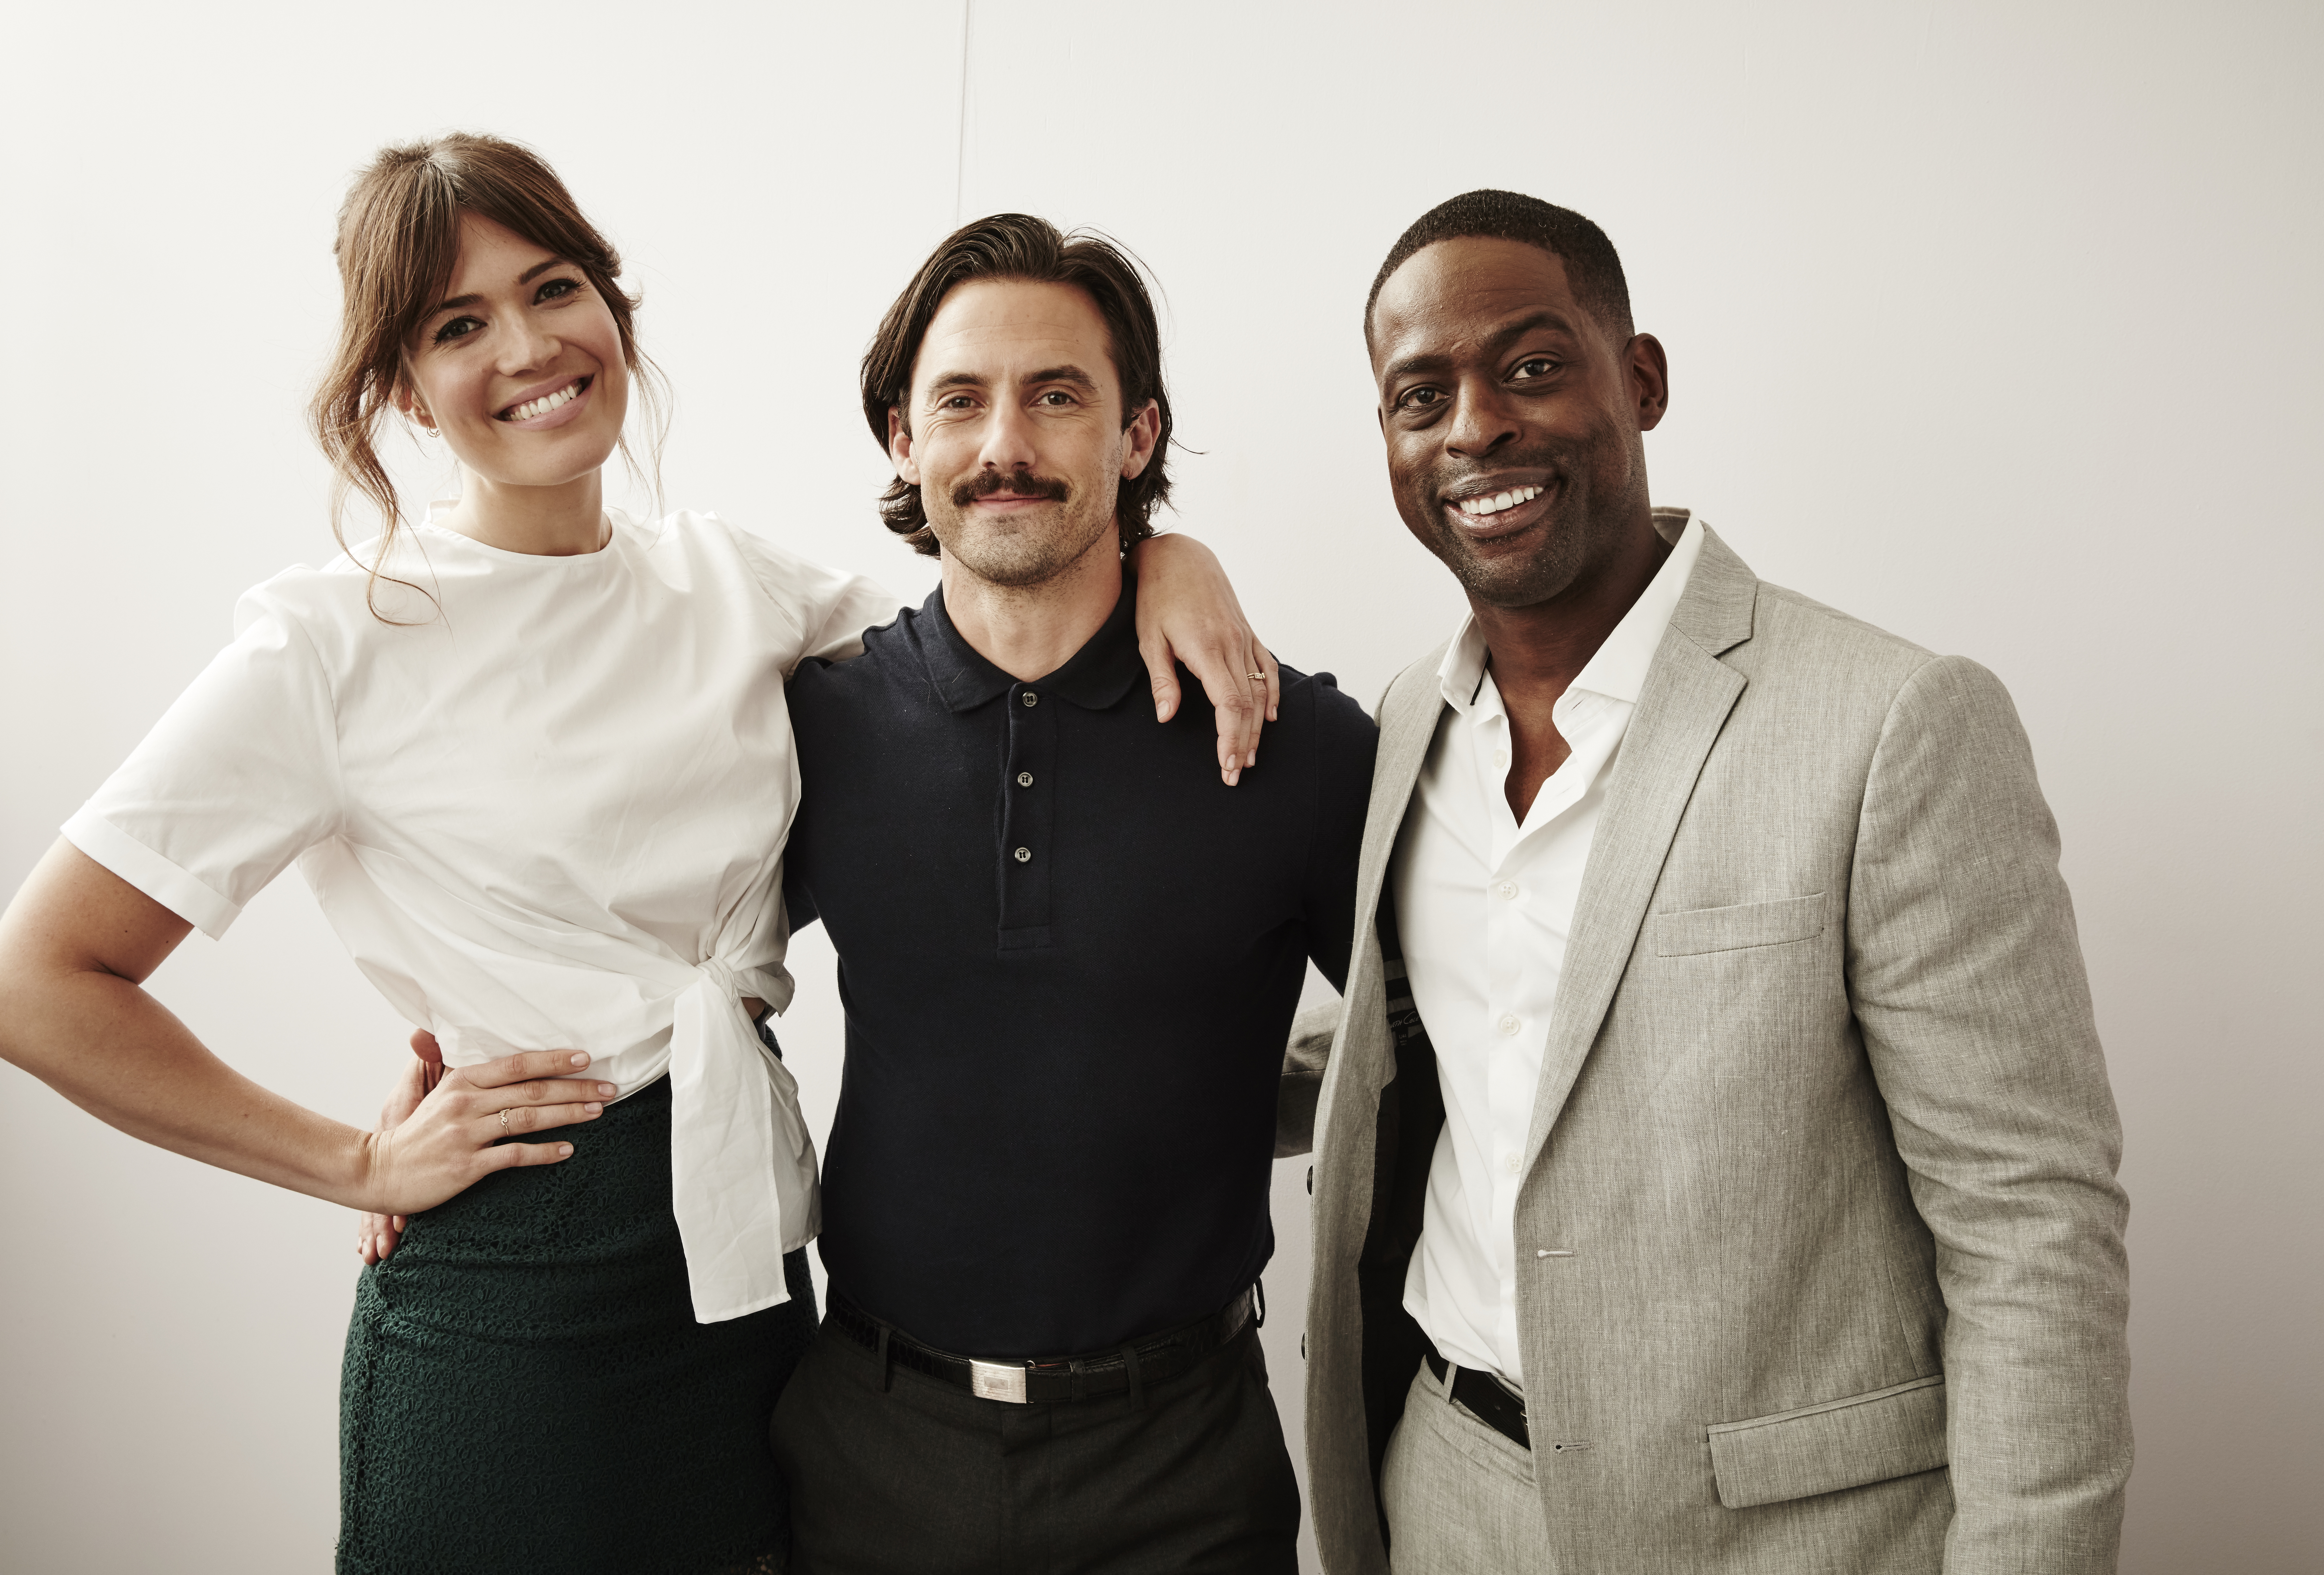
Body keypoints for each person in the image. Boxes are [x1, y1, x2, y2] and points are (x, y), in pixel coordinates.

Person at [0, 135, 1274, 1575]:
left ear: (614, 307)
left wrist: (1172, 557)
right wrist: (355, 1160)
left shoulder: (734, 584)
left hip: (750, 1302)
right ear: (401, 389)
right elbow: (39, 979)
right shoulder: (332, 640)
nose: (528, 347)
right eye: (458, 325)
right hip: (510, 1311)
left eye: (554, 289)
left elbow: (1000, 637)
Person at [1291, 191, 2133, 1573]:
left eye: (1531, 366)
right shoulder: (1402, 726)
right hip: (1447, 1490)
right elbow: (1451, 1050)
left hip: (1788, 1534)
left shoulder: (1895, 722)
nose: (1475, 428)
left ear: (1642, 379)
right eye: (1419, 396)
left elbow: (2030, 1224)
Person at [766, 213, 1378, 1574]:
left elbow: (1450, 1031)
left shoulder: (1292, 742)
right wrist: (448, 1081)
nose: (1006, 445)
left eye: (1058, 395)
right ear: (901, 439)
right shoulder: (812, 726)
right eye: (960, 401)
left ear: (1138, 434)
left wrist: (1251, 1094)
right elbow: (647, 949)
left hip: (1185, 1469)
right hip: (873, 1445)